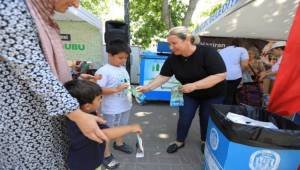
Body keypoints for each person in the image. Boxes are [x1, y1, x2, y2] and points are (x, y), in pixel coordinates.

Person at [0, 1, 108, 169]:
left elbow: (45, 71)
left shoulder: (41, 17)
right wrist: (78, 115)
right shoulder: (10, 8)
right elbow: (34, 70)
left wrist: (76, 80)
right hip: (25, 130)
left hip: (43, 125)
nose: (76, 4)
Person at [137, 26, 226, 154]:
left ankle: (204, 141)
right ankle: (179, 141)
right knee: (185, 116)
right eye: (169, 44)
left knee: (206, 118)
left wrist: (195, 85)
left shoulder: (208, 53)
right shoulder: (173, 58)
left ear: (188, 39)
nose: (171, 47)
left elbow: (220, 75)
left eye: (174, 43)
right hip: (190, 93)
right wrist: (148, 87)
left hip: (213, 94)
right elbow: (163, 76)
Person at [64, 79, 142, 170]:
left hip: (84, 159)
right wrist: (130, 128)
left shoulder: (77, 115)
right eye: (99, 99)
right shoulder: (83, 122)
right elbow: (105, 134)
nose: (101, 100)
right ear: (87, 106)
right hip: (86, 164)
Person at [95, 40, 133, 169]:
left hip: (125, 105)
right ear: (110, 55)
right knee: (108, 131)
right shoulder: (103, 71)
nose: (123, 61)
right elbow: (96, 90)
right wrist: (115, 90)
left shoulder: (122, 68)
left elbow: (125, 84)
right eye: (120, 57)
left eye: (126, 58)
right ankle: (106, 154)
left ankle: (119, 143)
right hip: (111, 109)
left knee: (121, 126)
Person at [219, 39, 249, 105]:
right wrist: (241, 72)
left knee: (226, 94)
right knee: (230, 95)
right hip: (235, 76)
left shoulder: (222, 50)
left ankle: (223, 110)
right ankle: (228, 111)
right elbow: (245, 65)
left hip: (222, 76)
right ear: (241, 44)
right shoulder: (242, 49)